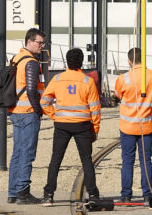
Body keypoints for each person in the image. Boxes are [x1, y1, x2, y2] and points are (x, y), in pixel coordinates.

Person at [40, 48, 101, 206]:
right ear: (81, 62)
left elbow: (44, 102)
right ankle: (93, 194)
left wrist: (55, 115)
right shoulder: (88, 81)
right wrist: (95, 129)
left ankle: (48, 195)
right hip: (82, 126)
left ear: (67, 61)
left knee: (56, 159)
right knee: (86, 160)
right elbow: (95, 108)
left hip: (62, 125)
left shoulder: (57, 79)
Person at [114, 47, 152, 204]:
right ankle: (147, 194)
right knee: (145, 160)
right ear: (144, 59)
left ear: (129, 61)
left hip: (127, 127)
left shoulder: (123, 78)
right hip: (146, 127)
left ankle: (126, 195)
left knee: (127, 160)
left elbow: (118, 95)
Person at [7, 28, 46, 204]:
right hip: (28, 113)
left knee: (17, 153)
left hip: (16, 111)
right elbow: (31, 89)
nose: (42, 46)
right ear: (29, 41)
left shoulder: (16, 58)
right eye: (39, 42)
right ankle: (23, 192)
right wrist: (38, 109)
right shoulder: (31, 62)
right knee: (27, 154)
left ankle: (13, 192)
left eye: (43, 43)